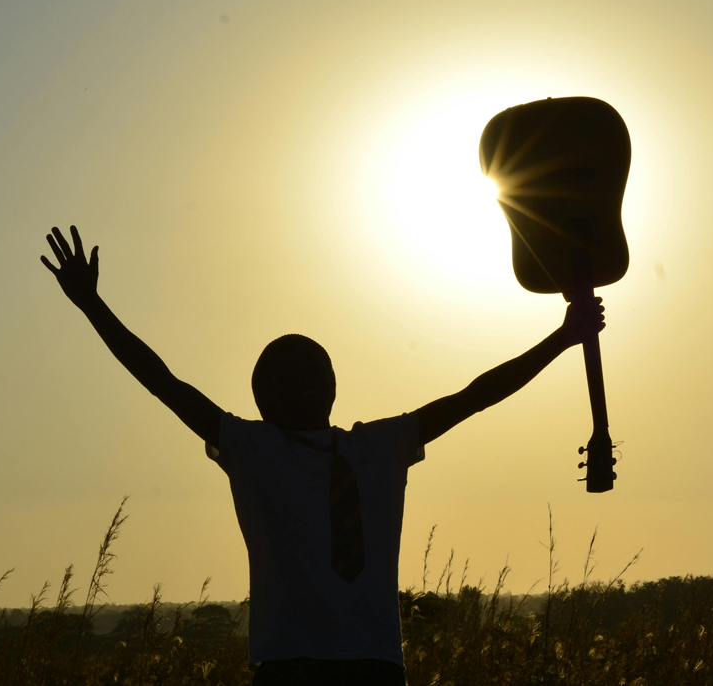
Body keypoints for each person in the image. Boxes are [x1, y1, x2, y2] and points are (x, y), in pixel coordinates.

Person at [41, 224, 605, 686]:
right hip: (290, 666)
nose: (307, 383)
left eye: (315, 371)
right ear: (266, 400)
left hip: (375, 665)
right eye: (289, 377)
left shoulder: (378, 447)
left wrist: (561, 338)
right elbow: (163, 381)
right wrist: (93, 305)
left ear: (333, 386)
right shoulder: (252, 449)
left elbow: (474, 397)